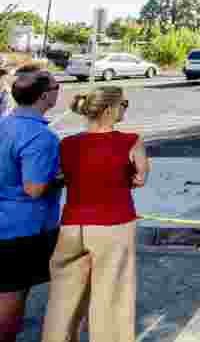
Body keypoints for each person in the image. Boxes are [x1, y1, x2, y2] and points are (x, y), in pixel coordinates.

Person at [42, 86, 150, 342]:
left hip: (72, 226)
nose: (125, 108)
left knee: (63, 299)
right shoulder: (130, 140)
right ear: (110, 109)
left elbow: (61, 176)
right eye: (124, 103)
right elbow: (140, 177)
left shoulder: (67, 144)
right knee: (111, 296)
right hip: (114, 224)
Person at [0, 70, 63, 342]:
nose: (58, 89)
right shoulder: (40, 136)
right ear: (44, 95)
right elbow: (34, 188)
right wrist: (65, 178)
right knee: (12, 291)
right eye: (56, 86)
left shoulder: (4, 124)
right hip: (21, 228)